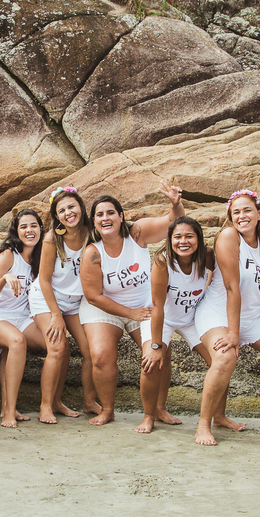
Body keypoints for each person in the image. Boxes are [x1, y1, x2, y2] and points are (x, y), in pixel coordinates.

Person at [193, 190, 260, 445]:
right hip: (218, 313)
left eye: (247, 210)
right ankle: (205, 424)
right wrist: (233, 334)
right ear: (230, 218)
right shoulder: (229, 237)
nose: (242, 216)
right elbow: (232, 287)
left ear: (259, 213)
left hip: (254, 316)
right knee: (225, 357)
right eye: (236, 212)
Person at [80, 182, 185, 426]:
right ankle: (107, 410)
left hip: (143, 306)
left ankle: (158, 409)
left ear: (121, 216)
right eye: (99, 215)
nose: (105, 218)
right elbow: (94, 296)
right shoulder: (92, 253)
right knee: (100, 356)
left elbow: (174, 222)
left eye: (110, 213)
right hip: (103, 308)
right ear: (94, 221)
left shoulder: (137, 233)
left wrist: (176, 204)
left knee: (159, 352)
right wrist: (129, 313)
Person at [0, 209, 61, 427]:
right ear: (16, 231)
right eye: (23, 227)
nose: (29, 230)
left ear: (40, 229)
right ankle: (8, 412)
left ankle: (53, 403)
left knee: (56, 343)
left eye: (33, 225)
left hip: (22, 317)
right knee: (16, 341)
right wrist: (5, 278)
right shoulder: (9, 255)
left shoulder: (41, 257)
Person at [137, 215, 211, 434]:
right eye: (177, 237)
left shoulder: (207, 256)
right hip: (163, 318)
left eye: (189, 236)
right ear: (170, 240)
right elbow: (158, 306)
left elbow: (227, 277)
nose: (183, 241)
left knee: (220, 361)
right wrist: (156, 346)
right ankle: (150, 415)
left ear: (198, 239)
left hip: (193, 319)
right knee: (151, 363)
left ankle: (219, 416)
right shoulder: (163, 262)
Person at [33, 187, 101, 421]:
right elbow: (44, 280)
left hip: (75, 301)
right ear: (56, 216)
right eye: (61, 210)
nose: (68, 213)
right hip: (47, 298)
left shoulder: (93, 233)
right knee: (58, 348)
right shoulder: (53, 238)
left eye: (71, 206)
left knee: (90, 350)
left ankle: (89, 402)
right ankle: (46, 406)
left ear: (81, 206)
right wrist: (56, 315)